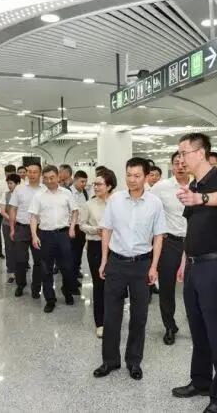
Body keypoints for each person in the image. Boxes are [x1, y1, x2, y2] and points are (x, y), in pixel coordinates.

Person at [171, 133, 217, 413]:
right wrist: (184, 261)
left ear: (200, 153)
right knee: (197, 328)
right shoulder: (193, 184)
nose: (180, 159)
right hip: (194, 266)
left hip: (214, 266)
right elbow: (192, 229)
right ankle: (201, 381)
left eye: (183, 153)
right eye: (178, 154)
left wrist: (200, 198)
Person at [93, 158, 166, 381]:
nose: (132, 180)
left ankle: (134, 361)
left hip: (142, 265)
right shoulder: (115, 200)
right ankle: (110, 360)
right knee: (111, 315)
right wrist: (104, 260)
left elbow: (159, 236)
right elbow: (106, 230)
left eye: (137, 176)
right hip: (116, 263)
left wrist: (154, 266)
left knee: (139, 316)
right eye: (128, 175)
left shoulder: (155, 203)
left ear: (146, 177)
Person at [151, 152, 190, 345]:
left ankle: (197, 325)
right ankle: (169, 326)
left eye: (184, 163)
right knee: (167, 288)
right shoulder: (161, 187)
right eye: (176, 163)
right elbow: (149, 210)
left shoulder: (200, 185)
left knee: (194, 287)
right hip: (170, 243)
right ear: (172, 165)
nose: (180, 166)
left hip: (195, 243)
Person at [30, 165, 79, 312]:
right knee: (46, 269)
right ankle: (50, 299)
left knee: (67, 267)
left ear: (58, 177)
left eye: (52, 177)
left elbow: (75, 211)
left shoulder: (66, 193)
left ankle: (67, 291)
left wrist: (72, 227)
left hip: (63, 235)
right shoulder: (39, 195)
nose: (49, 181)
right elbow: (33, 217)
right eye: (46, 178)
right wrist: (34, 235)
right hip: (45, 236)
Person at [80, 169, 117, 338]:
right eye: (94, 184)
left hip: (116, 247)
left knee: (115, 285)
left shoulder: (117, 202)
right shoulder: (89, 204)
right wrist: (96, 230)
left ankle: (113, 319)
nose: (95, 187)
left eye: (99, 184)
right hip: (95, 246)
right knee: (99, 284)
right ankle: (100, 323)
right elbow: (82, 225)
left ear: (109, 186)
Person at [9, 162, 46, 298]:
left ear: (40, 173)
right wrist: (12, 228)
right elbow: (13, 208)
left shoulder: (45, 189)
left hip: (40, 229)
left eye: (35, 172)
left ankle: (36, 288)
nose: (31, 174)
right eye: (29, 171)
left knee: (39, 261)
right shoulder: (19, 189)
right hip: (21, 228)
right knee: (20, 260)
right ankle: (20, 284)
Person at [1, 173, 21, 284]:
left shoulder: (22, 195)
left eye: (11, 183)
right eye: (8, 183)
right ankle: (11, 272)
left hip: (20, 226)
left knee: (19, 249)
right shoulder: (5, 195)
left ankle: (20, 270)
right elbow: (3, 211)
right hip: (7, 225)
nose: (9, 185)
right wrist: (12, 219)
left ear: (18, 184)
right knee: (9, 248)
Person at [70, 170, 89, 281]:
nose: (84, 184)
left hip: (81, 227)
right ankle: (71, 277)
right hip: (71, 227)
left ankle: (76, 270)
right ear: (75, 180)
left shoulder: (84, 192)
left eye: (85, 182)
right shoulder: (68, 192)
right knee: (71, 253)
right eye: (82, 181)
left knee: (79, 251)